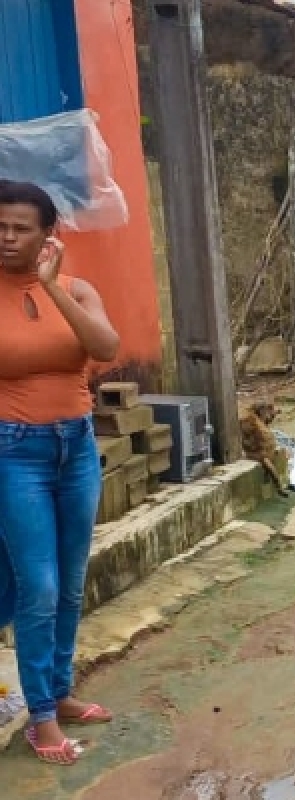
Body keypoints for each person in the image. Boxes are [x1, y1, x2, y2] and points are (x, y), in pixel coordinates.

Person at [0, 181, 120, 764]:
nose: (7, 236)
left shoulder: (75, 288)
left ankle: (60, 690)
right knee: (38, 587)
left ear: (49, 234)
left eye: (21, 227)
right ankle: (41, 717)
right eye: (0, 226)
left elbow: (104, 344)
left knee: (71, 582)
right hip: (12, 451)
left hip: (74, 448)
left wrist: (51, 288)